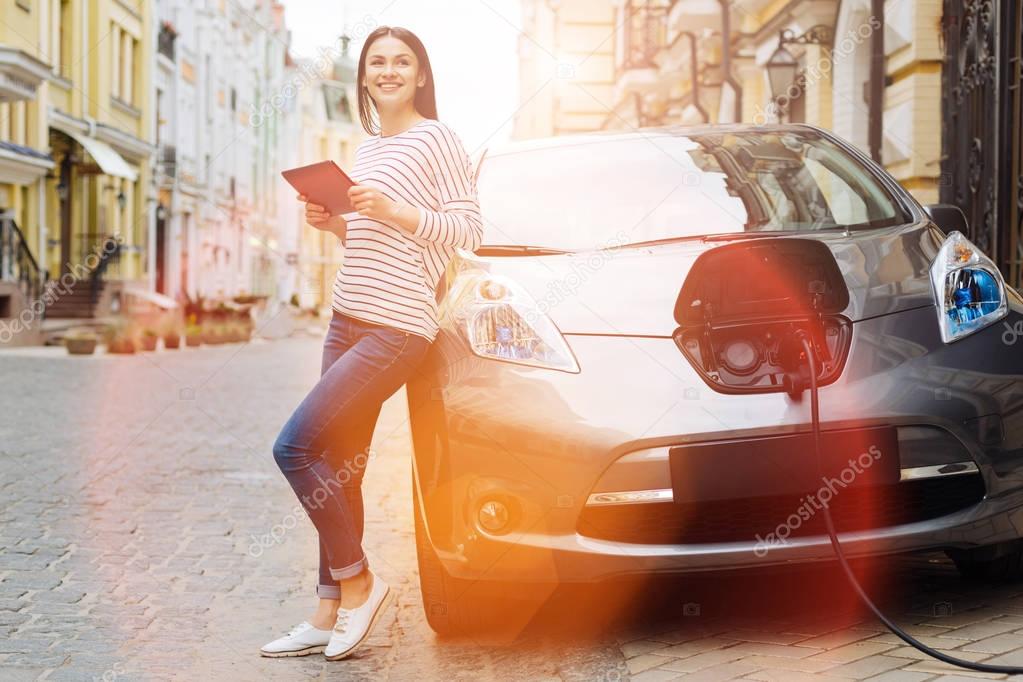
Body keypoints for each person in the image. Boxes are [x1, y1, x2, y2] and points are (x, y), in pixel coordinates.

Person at [261, 26, 483, 660]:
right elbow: (370, 245)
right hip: (346, 316)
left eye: (401, 61)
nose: (388, 70)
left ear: (420, 75)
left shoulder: (436, 138)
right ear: (363, 77)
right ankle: (327, 612)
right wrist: (336, 224)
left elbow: (468, 228)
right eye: (377, 62)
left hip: (398, 326)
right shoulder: (368, 148)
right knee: (340, 468)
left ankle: (360, 582)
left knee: (295, 448)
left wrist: (391, 211)